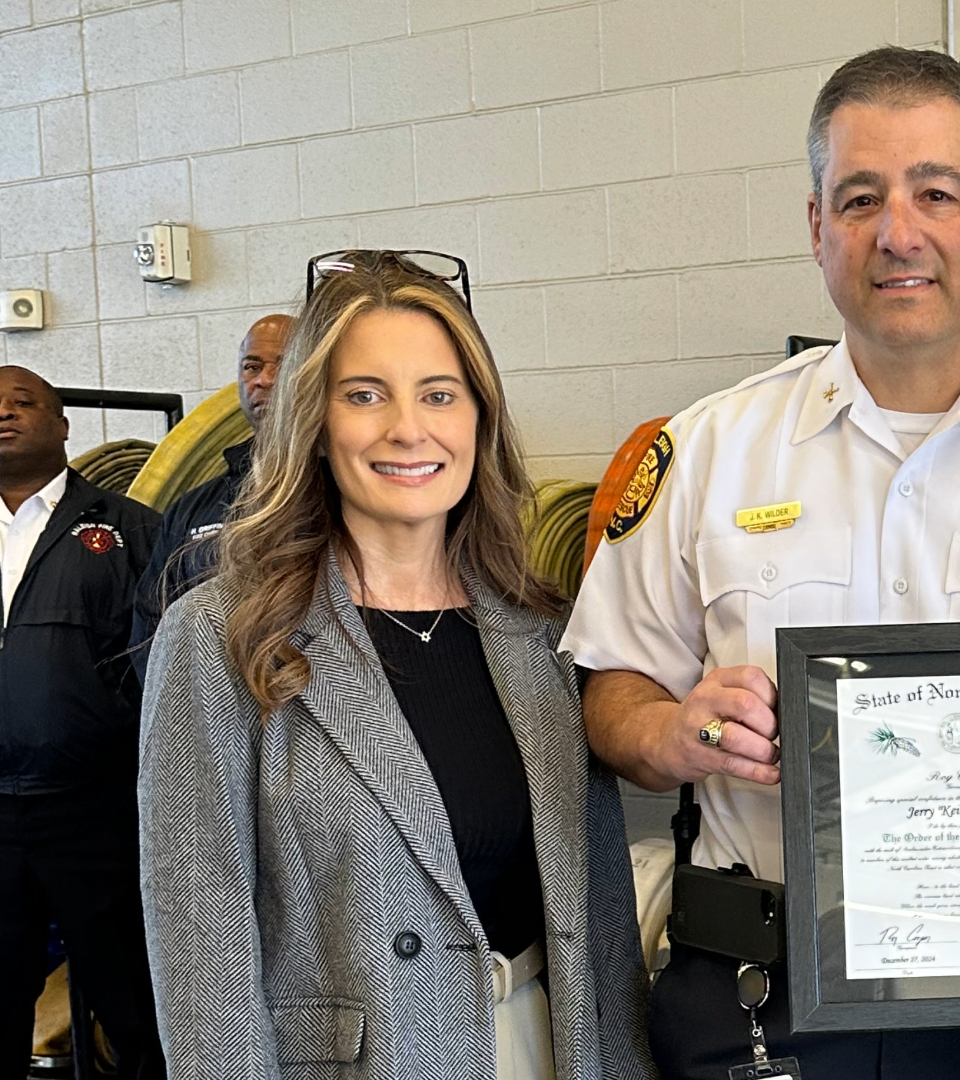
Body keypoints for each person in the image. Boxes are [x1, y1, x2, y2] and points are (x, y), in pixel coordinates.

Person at [563, 46, 960, 1079]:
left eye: (935, 193)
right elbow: (609, 690)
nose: (899, 233)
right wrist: (673, 730)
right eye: (861, 198)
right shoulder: (707, 451)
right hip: (756, 1003)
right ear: (818, 226)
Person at [138, 251, 653, 1080]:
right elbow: (202, 956)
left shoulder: (542, 631)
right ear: (315, 418)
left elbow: (600, 920)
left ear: (479, 418)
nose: (407, 428)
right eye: (365, 394)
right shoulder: (223, 637)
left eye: (439, 394)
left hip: (548, 1047)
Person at [0, 365, 166, 1079]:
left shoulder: (130, 531)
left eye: (23, 401)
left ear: (64, 424)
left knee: (127, 993)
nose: (4, 413)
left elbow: (162, 661)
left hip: (92, 809)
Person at [131, 313, 291, 682]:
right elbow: (153, 623)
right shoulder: (192, 509)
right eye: (252, 367)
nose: (263, 380)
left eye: (283, 365)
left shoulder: (352, 490)